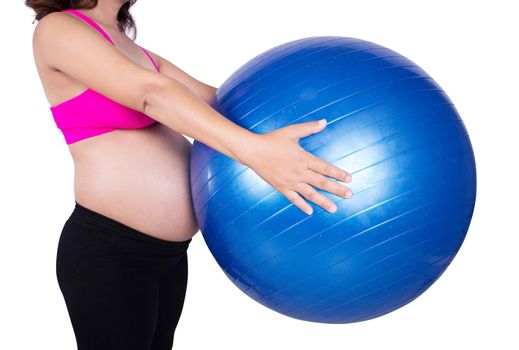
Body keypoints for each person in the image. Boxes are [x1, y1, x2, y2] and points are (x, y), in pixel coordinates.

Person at [25, 0, 353, 349]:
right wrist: (256, 152)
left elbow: (218, 104)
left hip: (167, 254)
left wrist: (309, 120)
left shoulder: (132, 49)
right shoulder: (57, 29)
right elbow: (152, 95)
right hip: (109, 251)